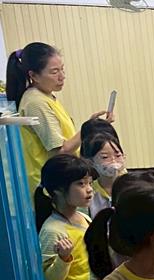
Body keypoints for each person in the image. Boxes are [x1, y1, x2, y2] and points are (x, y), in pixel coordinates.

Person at [7, 42, 111, 191]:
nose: (62, 76)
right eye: (54, 72)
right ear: (33, 75)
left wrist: (92, 125)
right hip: (50, 184)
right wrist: (89, 127)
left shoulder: (46, 96)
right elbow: (60, 151)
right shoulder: (36, 102)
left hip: (62, 178)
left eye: (62, 69)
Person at [82, 132, 126, 217]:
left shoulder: (133, 186)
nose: (113, 161)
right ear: (91, 162)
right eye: (105, 157)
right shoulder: (88, 191)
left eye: (118, 155)